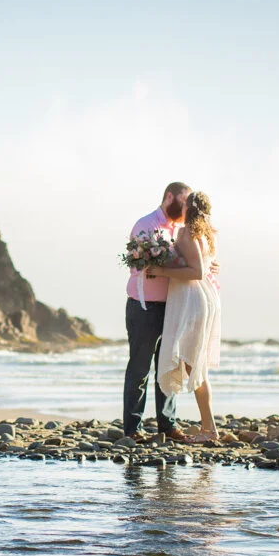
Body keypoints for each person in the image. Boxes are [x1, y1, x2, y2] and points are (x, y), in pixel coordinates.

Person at [122, 182, 192, 441]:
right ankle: (132, 429)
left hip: (172, 306)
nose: (187, 208)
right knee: (139, 369)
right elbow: (140, 265)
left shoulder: (181, 230)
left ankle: (168, 425)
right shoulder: (146, 224)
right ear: (169, 197)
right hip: (143, 307)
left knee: (167, 366)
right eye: (184, 202)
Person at [151, 191, 222, 443]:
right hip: (204, 298)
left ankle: (209, 429)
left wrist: (160, 268)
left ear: (188, 207)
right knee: (196, 366)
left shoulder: (186, 233)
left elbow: (197, 271)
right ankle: (208, 427)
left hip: (192, 300)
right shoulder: (207, 234)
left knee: (194, 366)